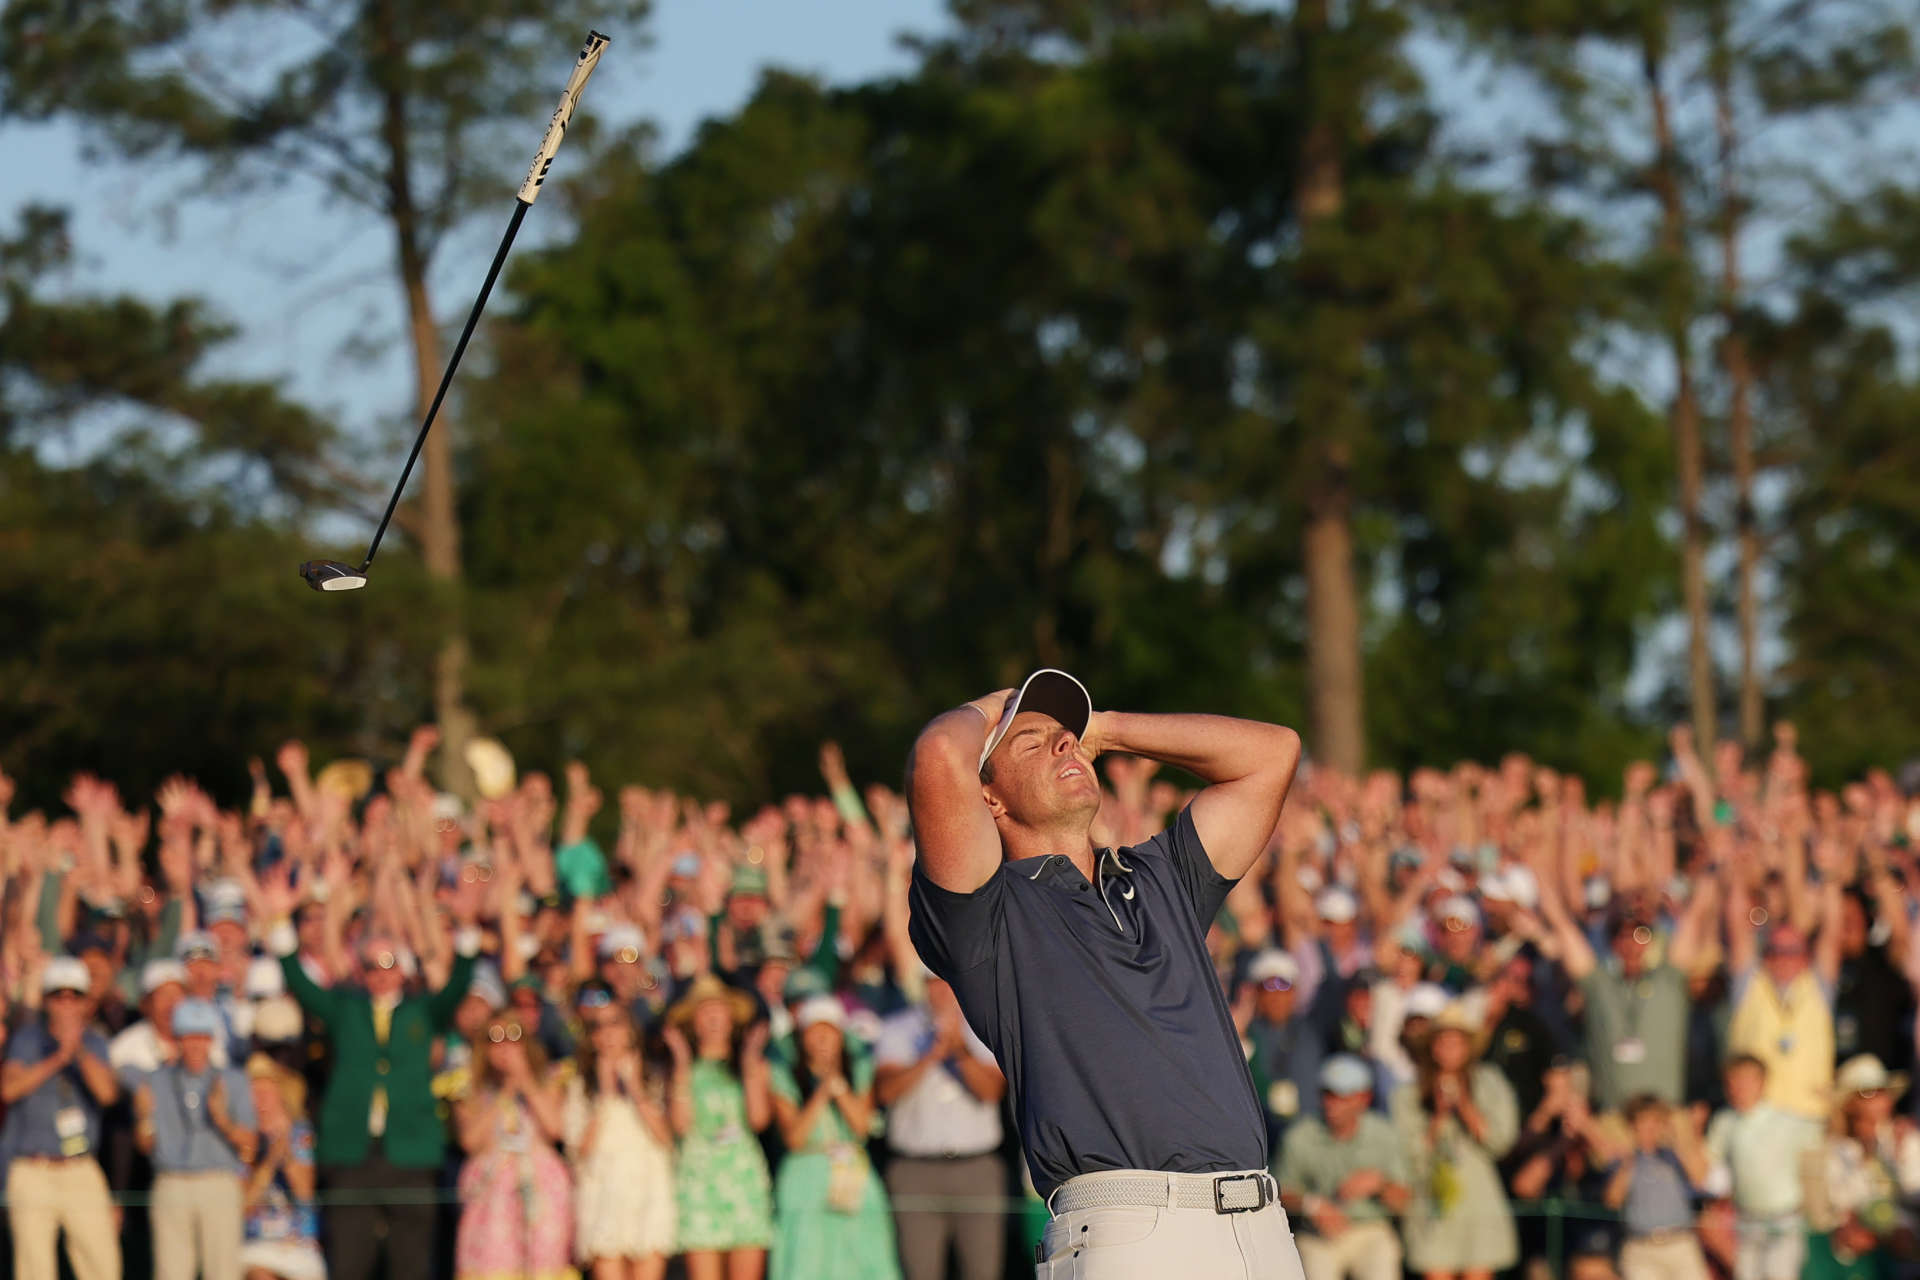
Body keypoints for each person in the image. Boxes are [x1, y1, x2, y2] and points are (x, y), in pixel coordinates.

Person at [907, 669, 1305, 1279]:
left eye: (1066, 736)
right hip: (1129, 1234)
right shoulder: (985, 915)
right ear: (990, 798)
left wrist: (1106, 730)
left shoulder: (1161, 876)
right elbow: (938, 753)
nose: (1064, 743)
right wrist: (999, 707)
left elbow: (1273, 753)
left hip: (1260, 1227)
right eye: (1032, 742)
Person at [267, 889, 480, 1280]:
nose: (381, 975)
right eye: (371, 966)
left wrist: (466, 929)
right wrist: (281, 924)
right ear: (360, 970)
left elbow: (459, 984)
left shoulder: (423, 1010)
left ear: (402, 969)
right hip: (352, 1152)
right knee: (350, 1259)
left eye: (388, 965)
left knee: (411, 1262)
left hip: (411, 1151)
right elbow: (300, 984)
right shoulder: (345, 1008)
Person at [874, 971, 1008, 1280]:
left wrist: (960, 1051)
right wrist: (929, 1056)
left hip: (977, 1170)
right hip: (914, 1172)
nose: (942, 990)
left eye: (947, 980)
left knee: (983, 1271)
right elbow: (886, 1092)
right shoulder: (897, 1028)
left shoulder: (985, 1024)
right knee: (919, 1270)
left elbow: (991, 1092)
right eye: (933, 982)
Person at [2, 955, 122, 1280]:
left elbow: (107, 1094)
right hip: (33, 1168)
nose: (66, 1005)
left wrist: (78, 1051)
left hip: (80, 1166)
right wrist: (57, 1058)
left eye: (74, 996)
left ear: (85, 1002)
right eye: (59, 996)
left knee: (101, 1265)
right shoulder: (27, 1039)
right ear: (46, 1001)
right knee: (34, 1269)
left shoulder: (95, 1042)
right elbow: (9, 1089)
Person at [766, 996, 900, 1280]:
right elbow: (795, 1138)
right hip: (807, 1177)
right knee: (808, 1258)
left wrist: (838, 1086)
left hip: (853, 1174)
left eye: (829, 1031)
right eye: (814, 1031)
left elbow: (861, 1128)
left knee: (860, 1257)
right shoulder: (785, 1075)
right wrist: (821, 1093)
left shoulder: (859, 1071)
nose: (822, 1039)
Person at [1391, 1004, 1520, 1280]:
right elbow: (1407, 1154)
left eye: (1456, 1042)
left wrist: (1464, 1105)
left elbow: (1501, 1142)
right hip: (1432, 1203)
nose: (1449, 1049)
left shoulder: (1490, 1082)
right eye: (1443, 1041)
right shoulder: (1408, 1093)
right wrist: (1437, 1118)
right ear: (1432, 1047)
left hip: (1479, 1200)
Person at [134, 996, 260, 1280]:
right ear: (177, 1040)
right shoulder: (156, 1081)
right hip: (172, 1180)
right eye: (188, 1037)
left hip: (218, 1181)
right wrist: (143, 1118)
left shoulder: (233, 1080)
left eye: (201, 1038)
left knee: (223, 1270)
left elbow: (249, 1140)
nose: (195, 1046)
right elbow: (145, 1144)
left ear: (211, 1040)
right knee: (171, 1271)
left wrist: (222, 1120)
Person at [663, 972, 775, 1280]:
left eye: (718, 1009)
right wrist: (681, 1065)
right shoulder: (683, 1071)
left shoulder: (751, 1066)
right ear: (694, 1021)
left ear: (731, 1018)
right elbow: (681, 1125)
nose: (712, 1017)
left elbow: (759, 1120)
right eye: (704, 1010)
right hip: (699, 1177)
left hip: (742, 1175)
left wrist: (751, 1062)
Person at [452, 1011, 574, 1280]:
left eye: (513, 1036)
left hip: (541, 1191)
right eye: (494, 1038)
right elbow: (470, 1141)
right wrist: (506, 1091)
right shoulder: (470, 1089)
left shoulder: (550, 1081)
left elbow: (555, 1129)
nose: (504, 1045)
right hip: (491, 1195)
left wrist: (525, 1081)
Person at [563, 997, 676, 1280]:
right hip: (603, 1195)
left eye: (615, 1023)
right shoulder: (580, 1087)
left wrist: (635, 1088)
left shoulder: (655, 1079)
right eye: (598, 1026)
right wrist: (604, 1093)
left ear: (630, 1030)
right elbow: (580, 1151)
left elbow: (666, 1138)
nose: (608, 1033)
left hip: (648, 1192)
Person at [1276, 1055, 1411, 1280]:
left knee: (1383, 1259)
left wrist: (1380, 1184)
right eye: (1328, 1094)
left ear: (1364, 1098)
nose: (1332, 1104)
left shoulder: (1384, 1135)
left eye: (1343, 1096)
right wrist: (1313, 1205)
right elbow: (1280, 1193)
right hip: (1317, 1235)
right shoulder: (1300, 1136)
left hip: (1370, 1229)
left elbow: (1404, 1201)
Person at [1703, 1054, 1824, 1280]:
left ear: (1762, 1082)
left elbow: (1824, 1136)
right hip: (1746, 1220)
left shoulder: (1787, 1120)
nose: (1738, 1088)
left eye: (1746, 1080)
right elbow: (1711, 1167)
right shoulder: (1724, 1122)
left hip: (1785, 1220)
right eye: (1733, 1081)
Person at [1803, 1055, 1920, 1280]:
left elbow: (1914, 1193)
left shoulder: (1907, 1139)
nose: (1878, 1099)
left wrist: (1897, 1157)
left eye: (1881, 1091)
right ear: (1849, 1103)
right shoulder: (1835, 1149)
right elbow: (1835, 1207)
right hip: (1860, 1253)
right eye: (1868, 1093)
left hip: (1907, 1250)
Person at [1604, 1094, 1711, 1280]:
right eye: (1644, 1122)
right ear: (1632, 1125)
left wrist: (1679, 1140)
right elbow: (1613, 1200)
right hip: (1641, 1248)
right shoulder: (1623, 1161)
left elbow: (1700, 1178)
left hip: (1681, 1244)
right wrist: (1629, 1158)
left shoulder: (1674, 1158)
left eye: (1657, 1121)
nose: (1651, 1128)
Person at [239, 1053, 327, 1280]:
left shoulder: (302, 1134)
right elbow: (242, 1206)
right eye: (254, 1094)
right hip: (257, 1245)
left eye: (266, 1093)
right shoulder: (243, 1140)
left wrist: (285, 1151)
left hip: (300, 1245)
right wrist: (268, 1160)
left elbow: (305, 1193)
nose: (260, 1102)